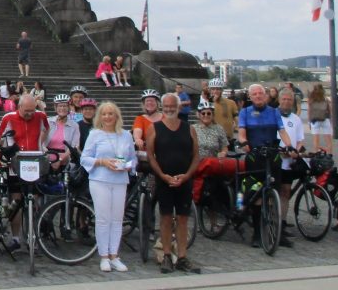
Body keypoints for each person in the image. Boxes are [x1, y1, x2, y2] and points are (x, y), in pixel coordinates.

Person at [146, 93, 200, 273]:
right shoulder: (155, 128)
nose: (169, 109)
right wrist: (162, 175)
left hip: (184, 180)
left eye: (172, 106)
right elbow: (150, 156)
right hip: (164, 180)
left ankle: (183, 256)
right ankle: (167, 255)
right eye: (166, 106)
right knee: (166, 218)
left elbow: (195, 156)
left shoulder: (189, 128)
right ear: (162, 107)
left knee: (183, 219)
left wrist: (186, 176)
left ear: (178, 108)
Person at [237, 84, 295, 249]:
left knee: (274, 194)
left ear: (266, 95)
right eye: (254, 94)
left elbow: (282, 131)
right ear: (250, 97)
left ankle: (275, 231)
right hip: (255, 157)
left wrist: (289, 145)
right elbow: (241, 133)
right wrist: (244, 142)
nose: (258, 96)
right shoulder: (245, 112)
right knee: (256, 196)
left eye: (260, 93)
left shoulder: (274, 112)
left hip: (272, 157)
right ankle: (256, 233)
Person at [81, 101, 136, 272]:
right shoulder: (95, 134)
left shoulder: (126, 135)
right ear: (100, 117)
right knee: (103, 219)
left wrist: (128, 166)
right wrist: (102, 161)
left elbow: (133, 159)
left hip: (120, 180)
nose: (107, 117)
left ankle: (114, 254)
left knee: (117, 219)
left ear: (116, 116)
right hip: (100, 180)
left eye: (111, 113)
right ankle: (104, 255)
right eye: (104, 114)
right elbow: (85, 158)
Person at [0, 93, 49, 250]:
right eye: (27, 111)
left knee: (35, 202)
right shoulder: (8, 118)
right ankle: (16, 238)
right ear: (19, 107)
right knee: (16, 201)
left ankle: (33, 236)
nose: (30, 114)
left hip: (35, 162)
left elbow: (46, 128)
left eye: (33, 110)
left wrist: (42, 145)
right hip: (15, 164)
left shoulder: (40, 116)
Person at [275, 89, 305, 246]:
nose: (287, 102)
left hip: (289, 161)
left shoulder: (296, 119)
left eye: (289, 99)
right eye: (284, 99)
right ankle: (273, 220)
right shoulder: (273, 115)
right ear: (280, 100)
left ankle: (283, 221)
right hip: (276, 159)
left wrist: (297, 152)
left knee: (286, 191)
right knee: (275, 190)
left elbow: (300, 140)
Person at [190, 99, 231, 203]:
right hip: (197, 164)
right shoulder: (192, 128)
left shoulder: (219, 128)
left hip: (214, 164)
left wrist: (223, 152)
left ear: (212, 115)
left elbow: (224, 146)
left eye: (209, 113)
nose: (206, 115)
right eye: (203, 113)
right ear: (198, 115)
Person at [46, 94, 80, 168]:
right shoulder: (48, 122)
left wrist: (60, 159)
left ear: (68, 108)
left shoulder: (74, 125)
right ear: (55, 108)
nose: (62, 108)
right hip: (47, 158)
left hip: (65, 160)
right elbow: (41, 142)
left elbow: (75, 146)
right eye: (60, 106)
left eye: (65, 106)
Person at [132, 89, 163, 155]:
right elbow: (137, 131)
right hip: (147, 154)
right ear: (144, 104)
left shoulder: (165, 118)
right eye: (147, 101)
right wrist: (137, 139)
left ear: (157, 103)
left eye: (152, 100)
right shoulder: (140, 118)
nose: (149, 103)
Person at [306, 84, 333, 153]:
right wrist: (330, 119)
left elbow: (309, 110)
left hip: (314, 120)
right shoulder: (325, 98)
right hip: (325, 119)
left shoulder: (311, 99)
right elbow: (330, 110)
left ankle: (316, 153)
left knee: (316, 140)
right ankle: (329, 155)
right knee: (328, 140)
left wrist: (309, 121)